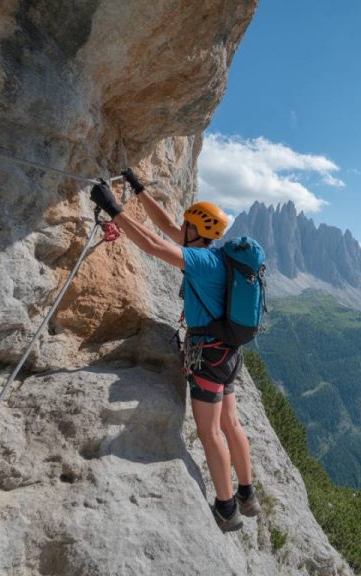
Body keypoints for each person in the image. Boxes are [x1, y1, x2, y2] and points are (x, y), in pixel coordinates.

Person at [90, 171, 261, 532]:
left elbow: (154, 245)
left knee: (210, 431)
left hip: (208, 359)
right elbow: (166, 227)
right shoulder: (214, 258)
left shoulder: (199, 262)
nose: (179, 227)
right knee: (232, 423)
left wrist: (114, 210)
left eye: (186, 225)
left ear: (195, 231)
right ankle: (247, 495)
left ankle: (226, 508)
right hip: (228, 354)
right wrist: (139, 192)